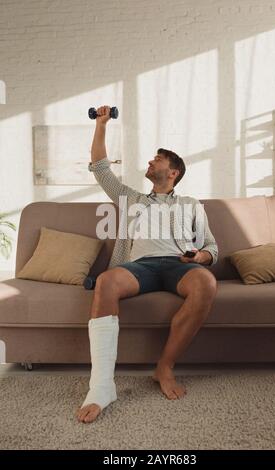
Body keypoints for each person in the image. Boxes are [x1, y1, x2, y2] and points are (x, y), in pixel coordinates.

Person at [76, 105, 218, 424]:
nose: (151, 161)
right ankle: (101, 386)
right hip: (139, 266)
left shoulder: (191, 205)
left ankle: (164, 368)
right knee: (107, 282)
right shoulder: (132, 199)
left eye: (158, 159)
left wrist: (200, 257)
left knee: (206, 283)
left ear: (173, 173)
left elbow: (211, 247)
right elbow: (100, 167)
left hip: (179, 266)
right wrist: (101, 124)